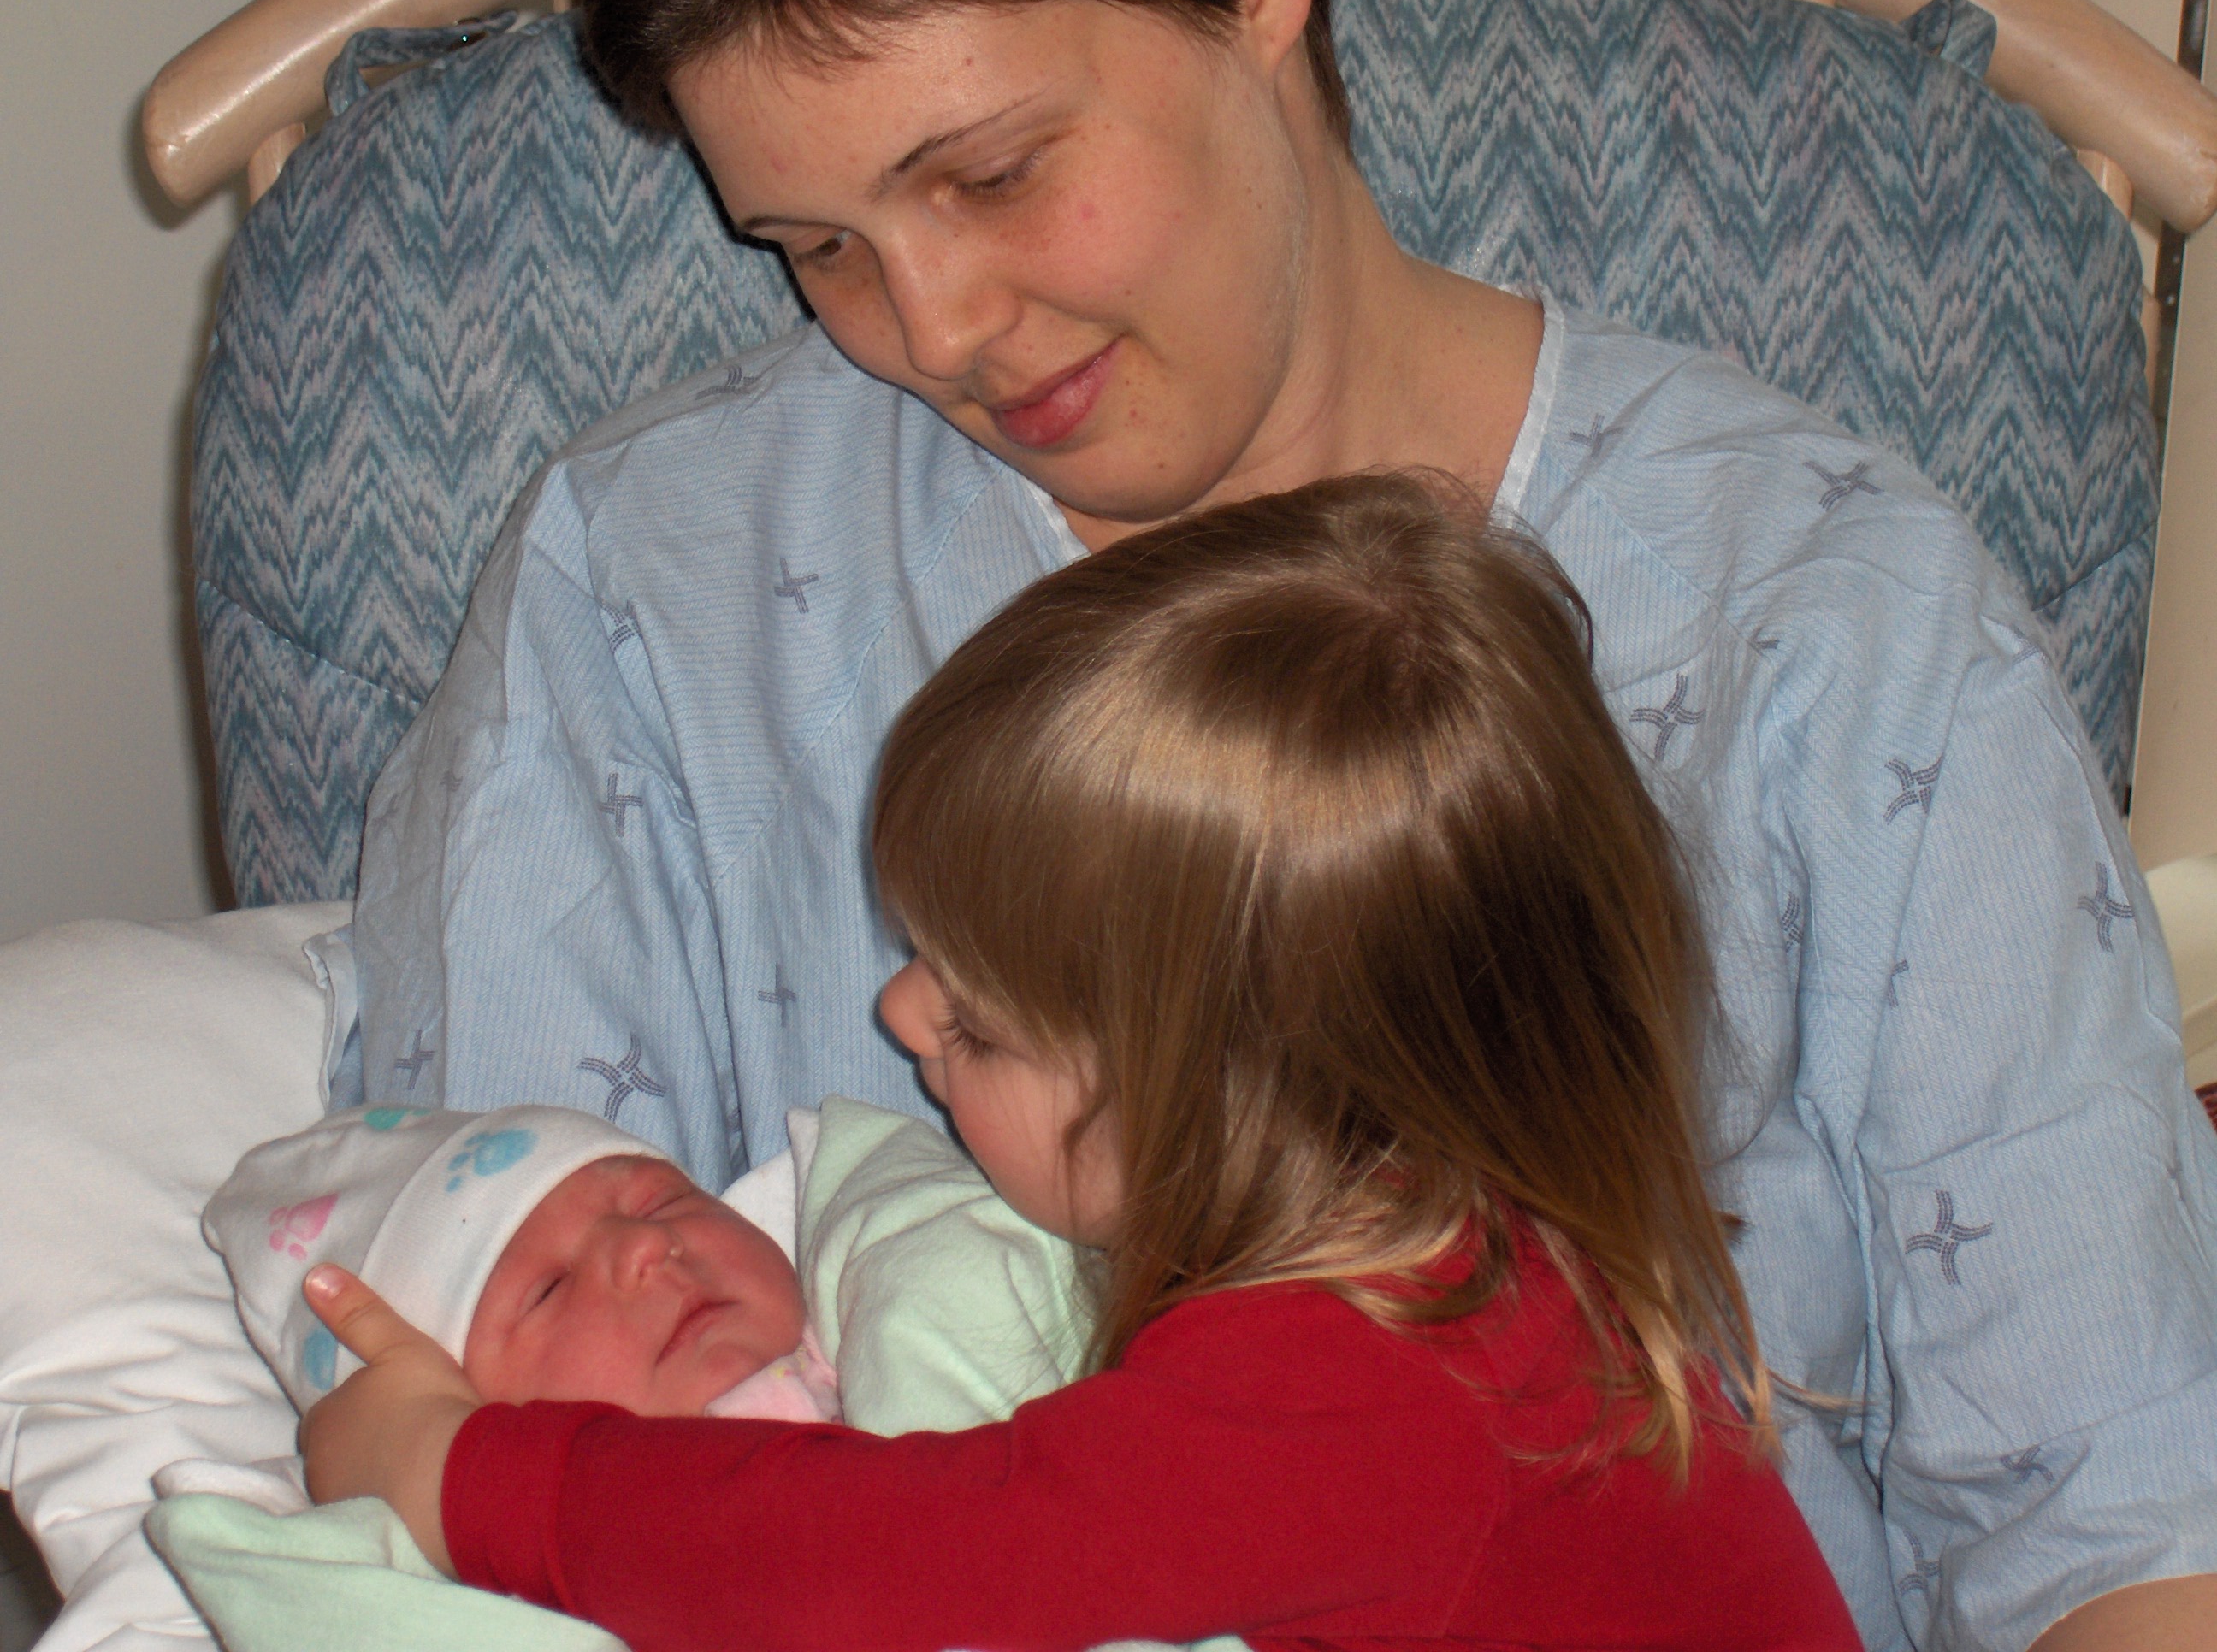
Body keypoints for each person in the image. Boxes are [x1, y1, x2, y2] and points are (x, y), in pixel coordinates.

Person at [341, 0, 2217, 1645]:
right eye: (815, 245)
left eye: (991, 172)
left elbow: (2118, 1520)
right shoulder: (640, 586)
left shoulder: (1828, 622)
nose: (934, 325)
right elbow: (451, 1360)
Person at [304, 475, 1863, 1652]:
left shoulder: (1367, 1381)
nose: (898, 1014)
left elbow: (892, 1562)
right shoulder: (1471, 1251)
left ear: (1221, 1101)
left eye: (976, 1023)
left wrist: (458, 1471)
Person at [205, 1105, 836, 1425]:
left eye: (660, 1202)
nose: (643, 1246)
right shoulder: (559, 1552)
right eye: (550, 1290)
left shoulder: (867, 1283)